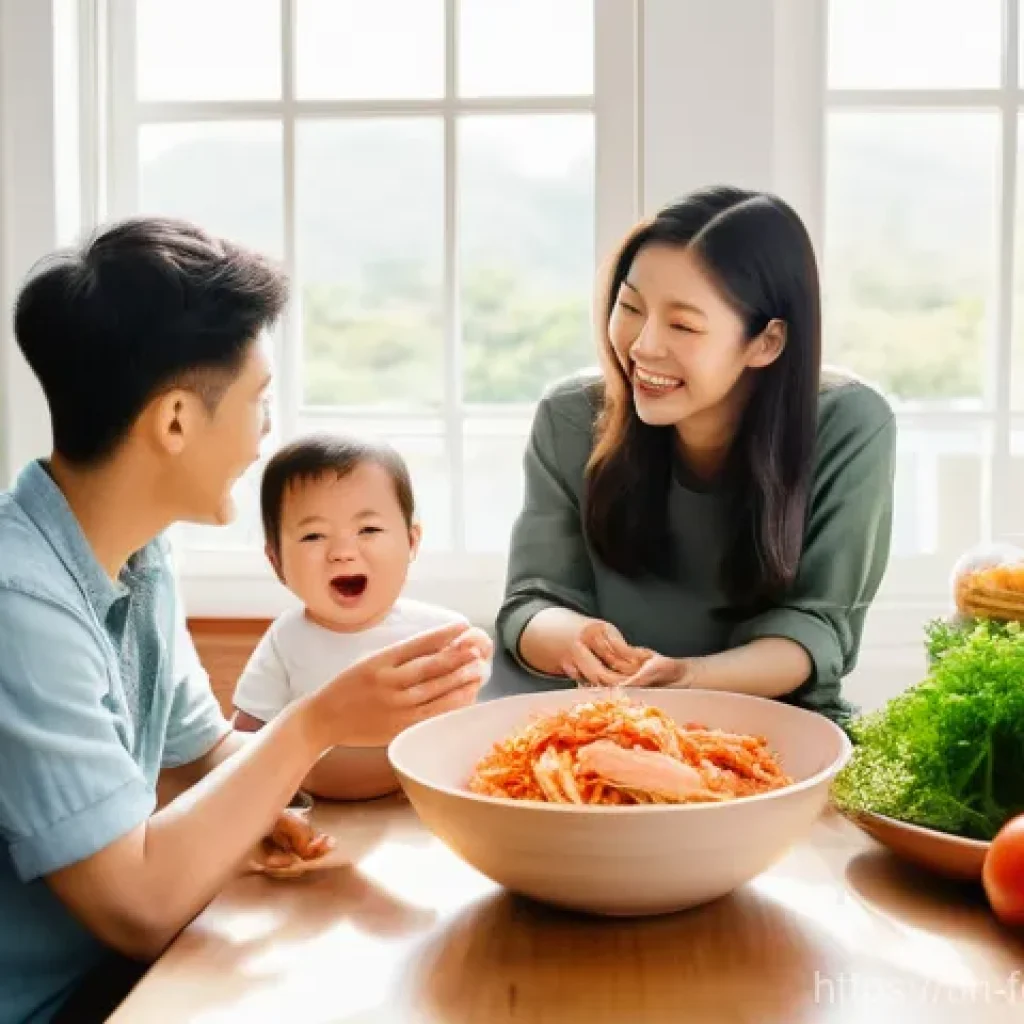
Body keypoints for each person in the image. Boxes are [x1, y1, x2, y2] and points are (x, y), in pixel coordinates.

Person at [0, 217, 490, 1024]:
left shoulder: (141, 555)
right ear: (177, 422)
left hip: (120, 982)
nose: (266, 434)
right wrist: (317, 722)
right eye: (258, 403)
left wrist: (272, 799)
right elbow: (140, 903)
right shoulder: (22, 601)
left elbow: (194, 760)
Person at [497, 186, 896, 723]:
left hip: (773, 728)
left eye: (683, 324)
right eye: (630, 306)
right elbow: (530, 603)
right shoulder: (571, 418)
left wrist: (689, 679)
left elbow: (817, 629)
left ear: (767, 342)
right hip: (593, 722)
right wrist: (573, 637)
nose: (642, 346)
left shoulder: (848, 424)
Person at [232, 435, 492, 801]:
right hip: (314, 807)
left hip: (417, 805)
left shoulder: (440, 633)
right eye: (313, 535)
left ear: (412, 542)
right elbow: (245, 737)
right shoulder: (286, 638)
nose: (342, 552)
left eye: (368, 530)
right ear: (276, 562)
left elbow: (471, 732)